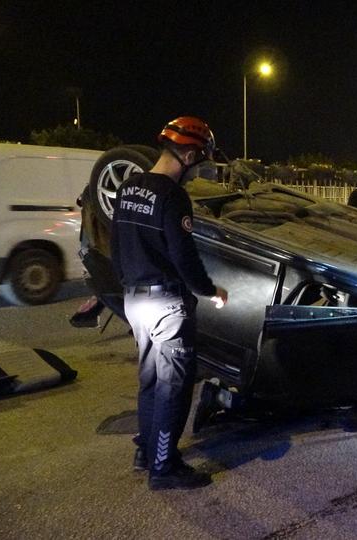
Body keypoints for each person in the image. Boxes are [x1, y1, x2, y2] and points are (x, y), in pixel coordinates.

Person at [111, 116, 229, 490]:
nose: (197, 171)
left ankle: (145, 452)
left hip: (135, 300)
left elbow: (114, 247)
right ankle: (165, 468)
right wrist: (210, 290)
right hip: (166, 305)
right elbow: (184, 256)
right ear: (190, 153)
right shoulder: (172, 196)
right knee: (174, 386)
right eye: (200, 161)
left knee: (149, 379)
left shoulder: (128, 188)